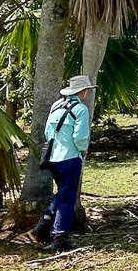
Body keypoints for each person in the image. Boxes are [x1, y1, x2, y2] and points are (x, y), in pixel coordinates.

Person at [30, 75, 95, 251]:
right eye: (87, 90)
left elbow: (48, 132)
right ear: (83, 91)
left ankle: (55, 232)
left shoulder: (56, 105)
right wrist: (82, 149)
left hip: (54, 159)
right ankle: (52, 228)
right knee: (67, 196)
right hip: (71, 158)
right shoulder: (81, 109)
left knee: (64, 194)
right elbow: (80, 137)